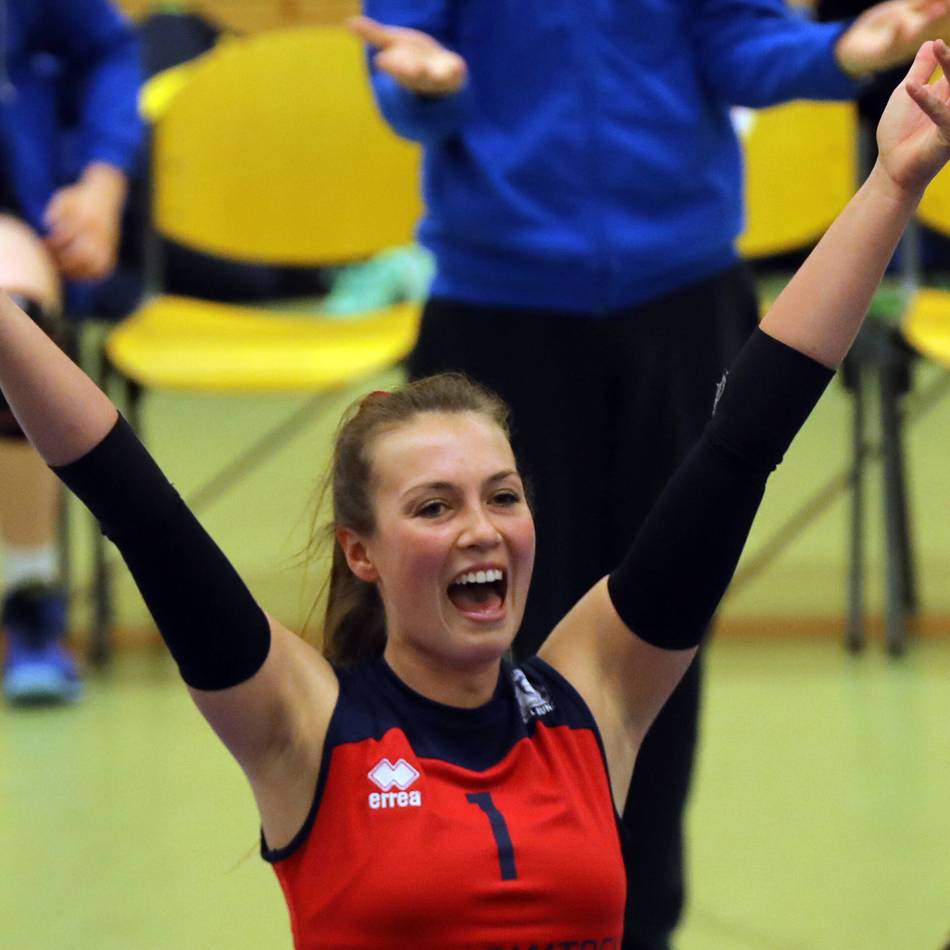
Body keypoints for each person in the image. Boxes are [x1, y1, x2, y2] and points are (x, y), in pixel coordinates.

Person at [2, 40, 949, 948]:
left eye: (502, 496)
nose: (481, 531)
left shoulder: (592, 692)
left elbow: (746, 437)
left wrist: (894, 183)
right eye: (434, 506)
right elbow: (135, 504)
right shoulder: (306, 726)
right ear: (359, 551)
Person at [348, 2, 950, 945]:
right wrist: (423, 90)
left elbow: (735, 41)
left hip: (678, 292)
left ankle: (636, 915)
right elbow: (404, 62)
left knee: (658, 627)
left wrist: (840, 54)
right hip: (500, 299)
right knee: (484, 626)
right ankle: (478, 899)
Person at [0, 0, 143, 704]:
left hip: (15, 219)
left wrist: (101, 186)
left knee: (11, 329)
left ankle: (28, 601)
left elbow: (109, 56)